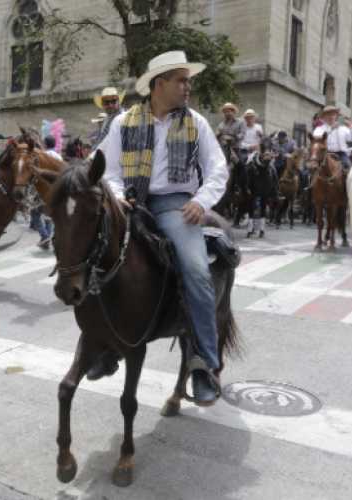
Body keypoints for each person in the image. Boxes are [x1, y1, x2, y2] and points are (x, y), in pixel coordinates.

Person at [99, 50, 228, 405]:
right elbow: (107, 169)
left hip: (175, 205)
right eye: (181, 80)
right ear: (160, 85)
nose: (188, 87)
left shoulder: (196, 122)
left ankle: (203, 363)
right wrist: (116, 193)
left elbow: (218, 168)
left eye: (188, 80)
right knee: (96, 257)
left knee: (198, 271)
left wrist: (201, 201)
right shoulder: (123, 122)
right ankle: (104, 347)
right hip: (131, 202)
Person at [313, 105, 352, 170]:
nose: (331, 117)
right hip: (325, 154)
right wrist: (330, 129)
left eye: (333, 114)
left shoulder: (342, 128)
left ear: (336, 116)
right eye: (328, 114)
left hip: (341, 154)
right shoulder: (320, 129)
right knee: (311, 169)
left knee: (349, 168)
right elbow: (316, 137)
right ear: (324, 117)